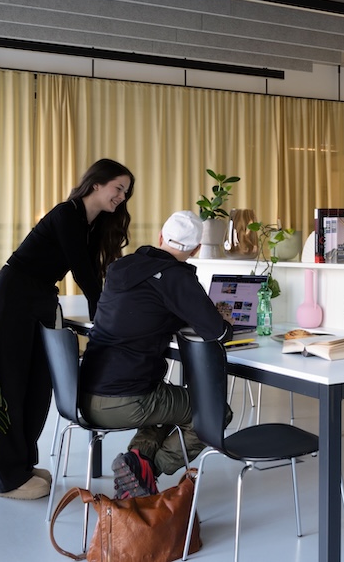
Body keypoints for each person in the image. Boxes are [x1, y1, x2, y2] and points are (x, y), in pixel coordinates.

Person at [0, 158, 134, 499]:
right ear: (96, 183)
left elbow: (96, 273)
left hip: (38, 300)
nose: (122, 197)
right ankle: (5, 480)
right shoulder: (67, 214)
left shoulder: (92, 225)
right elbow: (83, 273)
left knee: (37, 388)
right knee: (8, 390)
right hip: (12, 299)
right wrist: (102, 315)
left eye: (126, 192)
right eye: (118, 188)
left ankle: (22, 465)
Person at [79, 210, 233, 498]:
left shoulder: (120, 268)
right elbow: (217, 332)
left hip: (85, 393)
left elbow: (146, 310)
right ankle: (148, 469)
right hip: (128, 399)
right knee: (215, 412)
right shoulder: (177, 278)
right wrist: (222, 321)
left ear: (161, 237)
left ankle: (136, 462)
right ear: (197, 249)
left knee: (165, 400)